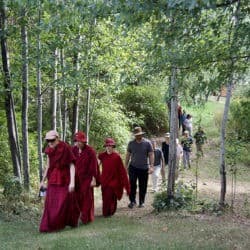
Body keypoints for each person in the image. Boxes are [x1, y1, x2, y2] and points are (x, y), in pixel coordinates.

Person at [39, 130, 79, 232]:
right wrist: (42, 181)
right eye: (48, 140)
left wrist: (72, 182)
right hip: (53, 178)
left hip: (64, 178)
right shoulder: (49, 149)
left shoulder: (65, 147)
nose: (50, 143)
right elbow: (48, 166)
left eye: (52, 140)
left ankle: (61, 223)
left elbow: (72, 165)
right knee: (51, 202)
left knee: (63, 202)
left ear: (57, 138)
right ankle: (50, 225)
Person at [72, 131, 100, 224]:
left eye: (80, 141)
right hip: (76, 178)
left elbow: (94, 166)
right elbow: (71, 164)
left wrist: (94, 179)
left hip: (87, 178)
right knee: (77, 198)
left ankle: (86, 217)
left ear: (84, 142)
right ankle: (79, 215)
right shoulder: (73, 150)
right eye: (76, 141)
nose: (78, 143)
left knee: (87, 198)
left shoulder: (90, 151)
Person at [98, 138, 130, 217]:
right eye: (107, 146)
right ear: (105, 146)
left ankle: (111, 211)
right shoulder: (102, 155)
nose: (108, 147)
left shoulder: (117, 157)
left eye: (110, 146)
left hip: (114, 180)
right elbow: (96, 165)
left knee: (112, 196)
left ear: (113, 146)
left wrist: (126, 186)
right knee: (105, 197)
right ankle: (106, 212)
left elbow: (122, 171)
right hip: (104, 179)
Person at [125, 127, 154, 208]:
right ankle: (132, 201)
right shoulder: (131, 143)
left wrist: (151, 166)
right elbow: (128, 155)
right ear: (135, 135)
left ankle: (142, 202)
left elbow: (151, 154)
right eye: (136, 135)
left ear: (142, 134)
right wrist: (125, 166)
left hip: (144, 168)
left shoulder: (147, 143)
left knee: (143, 185)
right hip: (133, 167)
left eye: (139, 135)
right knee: (132, 184)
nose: (138, 136)